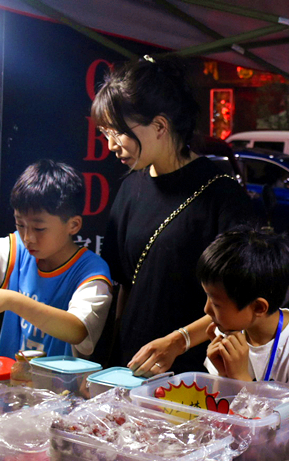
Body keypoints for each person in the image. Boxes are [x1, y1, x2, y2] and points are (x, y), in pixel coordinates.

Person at [91, 56, 256, 375]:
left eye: (118, 132)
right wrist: (107, 362)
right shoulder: (131, 186)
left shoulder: (222, 195)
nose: (110, 145)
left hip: (191, 371)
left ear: (159, 126)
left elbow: (240, 303)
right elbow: (123, 288)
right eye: (105, 133)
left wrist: (178, 340)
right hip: (130, 367)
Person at [0, 160, 113, 366]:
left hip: (62, 393)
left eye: (39, 229)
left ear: (73, 225)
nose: (28, 237)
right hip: (11, 387)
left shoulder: (91, 271)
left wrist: (12, 300)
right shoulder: (17, 249)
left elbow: (77, 330)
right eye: (20, 224)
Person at [196, 228, 289, 454]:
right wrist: (223, 377)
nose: (206, 309)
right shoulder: (232, 330)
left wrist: (241, 380)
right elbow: (221, 412)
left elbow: (285, 420)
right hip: (247, 447)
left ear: (259, 307)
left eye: (216, 303)